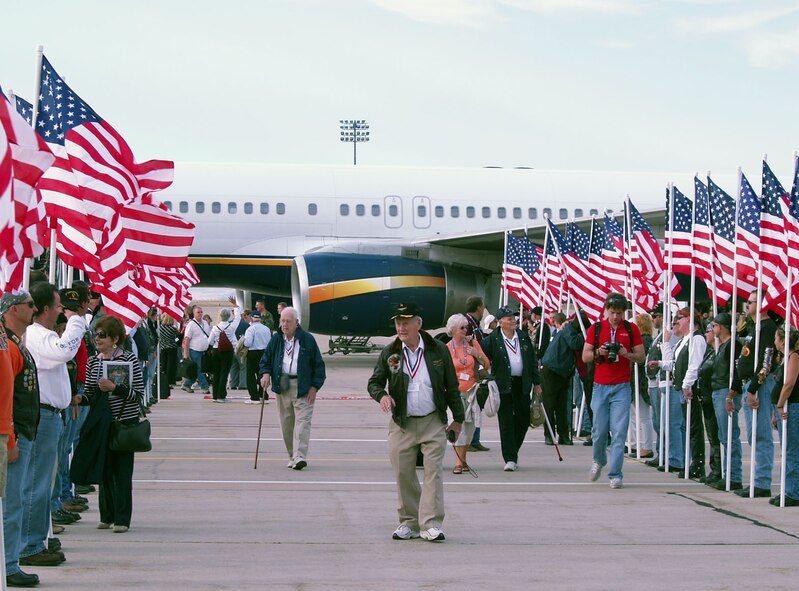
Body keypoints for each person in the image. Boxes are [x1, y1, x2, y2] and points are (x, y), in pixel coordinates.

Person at [367, 303, 463, 542]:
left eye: (406, 322)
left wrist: (458, 419)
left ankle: (430, 523)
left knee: (433, 473)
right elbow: (374, 382)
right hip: (402, 423)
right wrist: (383, 396)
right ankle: (409, 521)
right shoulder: (390, 352)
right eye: (398, 323)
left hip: (432, 421)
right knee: (403, 473)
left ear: (418, 324)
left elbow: (452, 387)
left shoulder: (437, 349)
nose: (401, 327)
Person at [22, 282, 87, 567]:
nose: (63, 309)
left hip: (53, 415)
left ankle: (37, 537)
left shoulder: (43, 334)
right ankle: (30, 545)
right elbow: (64, 352)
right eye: (59, 305)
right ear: (46, 308)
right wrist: (76, 322)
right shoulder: (35, 335)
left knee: (44, 483)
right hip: (44, 415)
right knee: (37, 483)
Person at [83, 315, 145, 532]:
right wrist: (79, 398)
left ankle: (122, 519)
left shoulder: (128, 360)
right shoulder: (93, 361)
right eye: (95, 334)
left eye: (102, 335)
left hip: (124, 422)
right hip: (101, 423)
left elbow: (138, 393)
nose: (97, 339)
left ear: (115, 339)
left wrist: (114, 388)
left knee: (122, 472)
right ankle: (106, 514)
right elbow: (90, 392)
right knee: (104, 470)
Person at [582, 293, 644, 489]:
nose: (615, 317)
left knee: (619, 431)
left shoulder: (631, 329)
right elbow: (585, 356)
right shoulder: (597, 328)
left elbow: (641, 356)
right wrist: (598, 352)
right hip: (600, 384)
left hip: (622, 386)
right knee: (599, 431)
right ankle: (598, 459)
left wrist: (626, 353)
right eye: (612, 312)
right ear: (606, 310)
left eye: (619, 313)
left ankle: (616, 474)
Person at [1, 290, 41, 588]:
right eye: (29, 305)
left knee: (16, 501)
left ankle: (9, 561)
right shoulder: (8, 347)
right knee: (12, 503)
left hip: (22, 433)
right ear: (13, 310)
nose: (35, 308)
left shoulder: (14, 345)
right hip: (14, 435)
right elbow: (6, 399)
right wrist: (11, 439)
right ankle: (8, 564)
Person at [259, 307, 325, 470]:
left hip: (302, 386)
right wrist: (265, 374)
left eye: (288, 321)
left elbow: (319, 366)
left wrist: (314, 387)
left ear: (297, 322)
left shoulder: (307, 339)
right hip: (282, 386)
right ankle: (292, 455)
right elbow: (265, 360)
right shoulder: (276, 339)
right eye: (282, 321)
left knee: (303, 423)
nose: (284, 324)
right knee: (286, 423)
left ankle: (300, 455)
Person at [482, 306, 542, 472]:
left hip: (522, 383)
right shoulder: (492, 339)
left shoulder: (522, 337)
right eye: (509, 319)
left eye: (513, 318)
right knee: (506, 421)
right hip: (503, 385)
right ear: (500, 322)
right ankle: (510, 458)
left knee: (523, 420)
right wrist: (485, 377)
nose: (513, 320)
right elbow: (482, 358)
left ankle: (513, 449)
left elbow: (532, 360)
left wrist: (537, 383)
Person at [735, 291, 778, 498]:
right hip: (748, 385)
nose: (747, 305)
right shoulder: (753, 327)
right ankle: (757, 479)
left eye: (750, 302)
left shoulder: (768, 328)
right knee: (753, 435)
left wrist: (753, 389)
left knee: (761, 434)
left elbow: (766, 362)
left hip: (759, 385)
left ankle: (762, 482)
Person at [443, 314, 489, 474]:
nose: (465, 330)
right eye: (462, 328)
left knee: (469, 428)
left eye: (466, 327)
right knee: (457, 427)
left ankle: (463, 461)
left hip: (472, 391)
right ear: (453, 330)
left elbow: (487, 363)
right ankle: (458, 462)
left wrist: (477, 354)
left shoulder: (472, 343)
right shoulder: (447, 348)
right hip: (454, 394)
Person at [708, 312, 743, 491]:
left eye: (714, 325)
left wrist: (731, 395)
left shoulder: (732, 345)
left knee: (730, 435)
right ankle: (727, 474)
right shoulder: (721, 345)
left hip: (725, 391)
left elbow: (737, 372)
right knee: (723, 436)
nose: (712, 329)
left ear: (721, 327)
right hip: (718, 390)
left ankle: (734, 475)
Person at [541, 312, 587, 446]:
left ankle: (563, 435)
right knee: (550, 405)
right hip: (552, 369)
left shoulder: (568, 329)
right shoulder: (569, 330)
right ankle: (549, 435)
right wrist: (585, 335)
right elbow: (575, 344)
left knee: (562, 405)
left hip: (562, 371)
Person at [772, 327, 799, 506]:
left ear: (783, 341)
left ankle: (793, 493)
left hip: (792, 407)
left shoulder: (794, 357)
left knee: (792, 451)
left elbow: (789, 383)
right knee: (787, 450)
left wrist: (780, 404)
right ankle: (787, 489)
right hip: (781, 409)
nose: (774, 342)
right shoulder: (783, 359)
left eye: (776, 338)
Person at [464, 295, 490, 452]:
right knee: (472, 407)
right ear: (479, 308)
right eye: (483, 307)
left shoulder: (474, 324)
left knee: (477, 405)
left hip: (478, 368)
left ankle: (475, 439)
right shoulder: (467, 325)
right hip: (470, 371)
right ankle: (470, 440)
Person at [628, 313, 655, 458]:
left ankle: (647, 445)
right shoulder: (642, 341)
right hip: (634, 381)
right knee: (634, 414)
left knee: (644, 416)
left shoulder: (644, 341)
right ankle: (634, 443)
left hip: (641, 382)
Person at [207, 309, 237, 402]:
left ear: (220, 316)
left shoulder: (215, 328)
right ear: (229, 316)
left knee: (216, 373)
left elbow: (210, 341)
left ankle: (215, 395)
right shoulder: (231, 327)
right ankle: (221, 395)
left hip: (216, 350)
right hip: (228, 352)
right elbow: (238, 319)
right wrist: (236, 307)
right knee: (224, 373)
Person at [181, 305, 211, 395]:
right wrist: (186, 353)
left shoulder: (205, 323)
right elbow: (187, 339)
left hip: (204, 351)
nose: (200, 314)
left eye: (201, 312)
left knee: (197, 370)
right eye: (198, 312)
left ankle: (187, 384)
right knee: (199, 369)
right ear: (194, 313)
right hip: (194, 350)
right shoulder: (191, 325)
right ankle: (205, 386)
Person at [243, 311, 272, 404]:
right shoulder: (266, 329)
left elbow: (248, 343)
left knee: (250, 375)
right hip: (264, 353)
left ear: (251, 318)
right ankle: (263, 395)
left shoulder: (251, 329)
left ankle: (254, 397)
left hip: (253, 353)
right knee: (262, 374)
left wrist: (243, 341)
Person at [158, 313, 181, 398]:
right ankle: (169, 381)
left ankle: (163, 380)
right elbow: (177, 335)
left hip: (163, 348)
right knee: (170, 366)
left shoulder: (160, 328)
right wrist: (175, 325)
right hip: (171, 348)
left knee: (164, 365)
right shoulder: (172, 328)